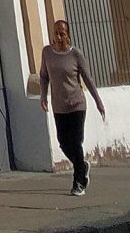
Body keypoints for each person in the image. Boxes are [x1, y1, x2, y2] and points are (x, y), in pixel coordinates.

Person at [38, 16, 105, 195]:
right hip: (59, 106)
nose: (59, 37)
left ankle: (78, 182)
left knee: (75, 142)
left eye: (62, 34)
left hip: (76, 104)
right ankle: (81, 164)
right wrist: (43, 96)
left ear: (68, 35)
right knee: (63, 142)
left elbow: (88, 79)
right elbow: (44, 76)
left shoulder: (76, 55)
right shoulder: (47, 53)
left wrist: (99, 102)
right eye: (56, 34)